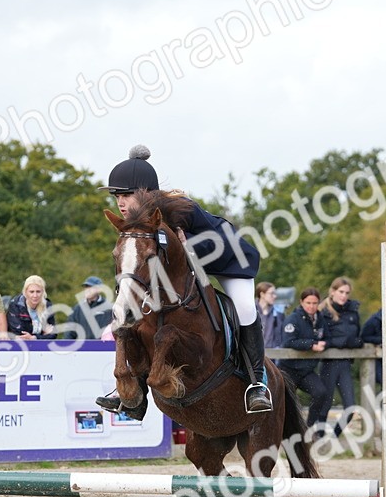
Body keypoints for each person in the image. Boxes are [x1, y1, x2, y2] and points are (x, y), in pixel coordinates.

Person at [94, 145, 272, 417]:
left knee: (246, 309)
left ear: (146, 193)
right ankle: (134, 390)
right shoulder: (138, 226)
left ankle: (257, 383)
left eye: (127, 195)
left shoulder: (182, 209)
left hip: (228, 257)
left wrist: (188, 247)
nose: (120, 202)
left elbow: (216, 242)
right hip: (192, 267)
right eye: (118, 195)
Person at [279, 288, 331, 432]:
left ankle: (309, 428)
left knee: (321, 393)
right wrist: (311, 345)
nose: (311, 306)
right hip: (288, 369)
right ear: (302, 302)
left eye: (315, 303)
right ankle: (284, 432)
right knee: (286, 403)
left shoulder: (320, 319)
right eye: (308, 302)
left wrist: (324, 344)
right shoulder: (292, 319)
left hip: (306, 370)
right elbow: (288, 342)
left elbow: (328, 338)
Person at [318, 277, 363, 435]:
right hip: (329, 363)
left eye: (347, 293)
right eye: (341, 292)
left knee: (350, 408)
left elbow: (358, 336)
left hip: (345, 364)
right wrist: (345, 341)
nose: (344, 296)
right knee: (324, 405)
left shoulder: (353, 311)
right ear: (333, 291)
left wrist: (352, 341)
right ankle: (319, 438)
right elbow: (323, 338)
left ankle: (334, 437)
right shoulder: (323, 311)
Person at [8, 275, 56, 339]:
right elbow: (20, 334)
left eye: (38, 291)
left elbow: (53, 334)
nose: (35, 295)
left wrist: (34, 337)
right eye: (31, 292)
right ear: (25, 292)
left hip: (41, 347)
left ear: (43, 292)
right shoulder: (16, 305)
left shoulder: (48, 306)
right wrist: (42, 333)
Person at [256, 282, 284, 350]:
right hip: (255, 353)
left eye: (275, 293)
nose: (275, 296)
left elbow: (281, 334)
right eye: (271, 293)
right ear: (262, 294)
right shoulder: (251, 310)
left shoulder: (278, 312)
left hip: (274, 355)